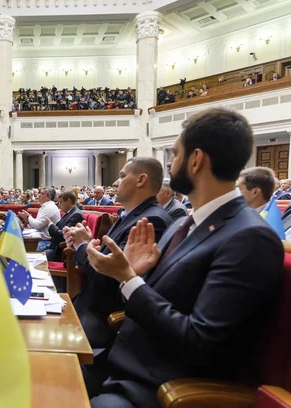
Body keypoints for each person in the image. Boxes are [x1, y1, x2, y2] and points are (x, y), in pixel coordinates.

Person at [86, 108, 283, 408]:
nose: (169, 162)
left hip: (160, 389)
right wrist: (135, 275)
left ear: (196, 159)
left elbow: (200, 343)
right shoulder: (183, 224)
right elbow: (157, 301)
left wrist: (129, 280)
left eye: (174, 154)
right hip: (122, 365)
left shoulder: (250, 238)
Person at [64, 158, 171, 353]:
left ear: (141, 180)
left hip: (102, 318)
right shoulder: (132, 214)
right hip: (88, 305)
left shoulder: (150, 220)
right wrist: (88, 245)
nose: (115, 183)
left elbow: (110, 277)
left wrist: (83, 246)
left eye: (122, 176)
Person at [43, 190, 83, 261]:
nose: (59, 205)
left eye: (60, 202)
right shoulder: (68, 213)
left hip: (61, 251)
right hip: (54, 246)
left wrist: (50, 224)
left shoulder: (76, 215)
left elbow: (64, 235)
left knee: (39, 257)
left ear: (68, 201)